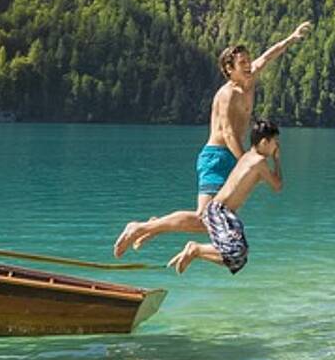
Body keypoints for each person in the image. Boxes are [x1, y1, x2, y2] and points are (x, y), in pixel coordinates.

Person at [113, 21, 311, 257]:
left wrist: (292, 37)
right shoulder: (226, 94)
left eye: (249, 61)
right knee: (204, 219)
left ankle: (153, 226)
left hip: (231, 157)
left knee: (210, 221)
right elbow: (227, 133)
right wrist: (245, 163)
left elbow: (269, 56)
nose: (249, 65)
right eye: (242, 63)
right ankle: (141, 227)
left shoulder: (250, 78)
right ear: (229, 69)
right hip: (217, 157)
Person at [168, 119, 281, 274]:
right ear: (264, 142)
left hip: (224, 212)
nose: (277, 146)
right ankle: (195, 249)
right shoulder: (259, 162)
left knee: (239, 258)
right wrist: (276, 160)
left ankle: (197, 251)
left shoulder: (247, 157)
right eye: (275, 142)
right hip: (219, 210)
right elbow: (277, 186)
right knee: (235, 252)